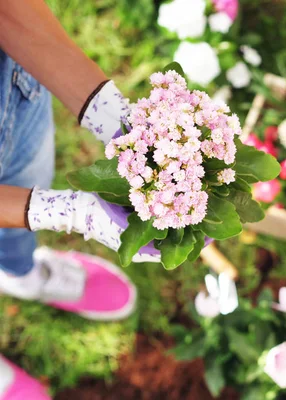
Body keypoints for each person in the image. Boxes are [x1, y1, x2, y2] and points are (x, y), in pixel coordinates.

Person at [0, 1, 156, 398]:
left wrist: (120, 124)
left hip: (13, 98)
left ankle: (19, 273)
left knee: (28, 180)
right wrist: (74, 212)